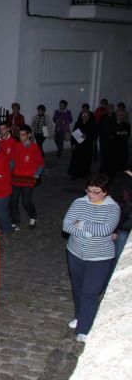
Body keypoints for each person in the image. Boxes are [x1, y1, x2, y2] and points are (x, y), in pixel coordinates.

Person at [63, 175, 120, 343]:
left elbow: (106, 230)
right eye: (89, 190)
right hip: (74, 253)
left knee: (90, 292)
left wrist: (80, 224)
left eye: (96, 191)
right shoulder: (78, 203)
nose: (91, 194)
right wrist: (88, 232)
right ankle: (80, 316)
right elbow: (66, 225)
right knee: (77, 288)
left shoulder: (113, 208)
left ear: (105, 192)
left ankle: (85, 328)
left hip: (100, 257)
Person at [11, 125, 44, 230]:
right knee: (14, 201)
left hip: (28, 179)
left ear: (29, 135)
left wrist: (36, 175)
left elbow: (40, 164)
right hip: (16, 178)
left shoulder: (35, 148)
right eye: (20, 135)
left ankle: (33, 216)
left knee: (26, 201)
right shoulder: (17, 146)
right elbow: (12, 161)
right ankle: (15, 221)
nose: (21, 137)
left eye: (23, 135)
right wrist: (9, 171)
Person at [68, 110, 97, 180]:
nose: (84, 116)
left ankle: (84, 174)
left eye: (86, 115)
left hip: (87, 146)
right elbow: (73, 135)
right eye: (82, 115)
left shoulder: (93, 124)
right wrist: (73, 144)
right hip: (78, 146)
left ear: (89, 116)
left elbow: (95, 136)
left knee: (86, 160)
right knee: (76, 160)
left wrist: (87, 136)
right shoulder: (77, 123)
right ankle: (75, 174)